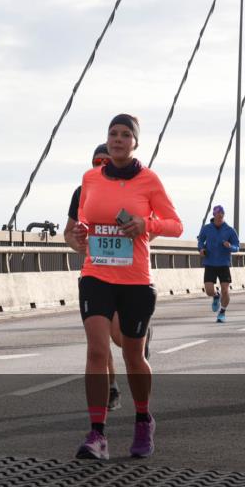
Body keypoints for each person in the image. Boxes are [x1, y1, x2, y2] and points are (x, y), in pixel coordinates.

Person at [70, 114, 183, 459]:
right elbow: (79, 225)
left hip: (135, 280)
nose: (117, 139)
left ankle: (143, 418)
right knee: (97, 351)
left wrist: (145, 223)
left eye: (124, 135)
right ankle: (97, 433)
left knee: (133, 356)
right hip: (96, 275)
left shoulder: (149, 180)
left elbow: (176, 226)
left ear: (135, 142)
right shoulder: (89, 179)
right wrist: (77, 235)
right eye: (112, 134)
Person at [65, 143, 151, 411]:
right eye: (96, 161)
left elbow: (152, 226)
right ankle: (111, 388)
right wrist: (76, 242)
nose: (100, 165)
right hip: (95, 277)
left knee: (119, 339)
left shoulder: (136, 186)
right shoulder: (83, 191)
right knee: (98, 345)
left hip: (129, 279)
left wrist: (138, 236)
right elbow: (69, 232)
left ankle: (140, 340)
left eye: (104, 161)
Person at [197, 205, 239, 323]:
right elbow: (200, 241)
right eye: (217, 215)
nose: (220, 217)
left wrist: (230, 246)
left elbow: (237, 247)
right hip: (210, 262)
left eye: (222, 215)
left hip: (224, 263)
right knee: (209, 290)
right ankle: (216, 295)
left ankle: (222, 312)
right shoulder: (206, 228)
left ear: (224, 215)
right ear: (214, 215)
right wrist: (201, 249)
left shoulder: (230, 230)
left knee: (225, 290)